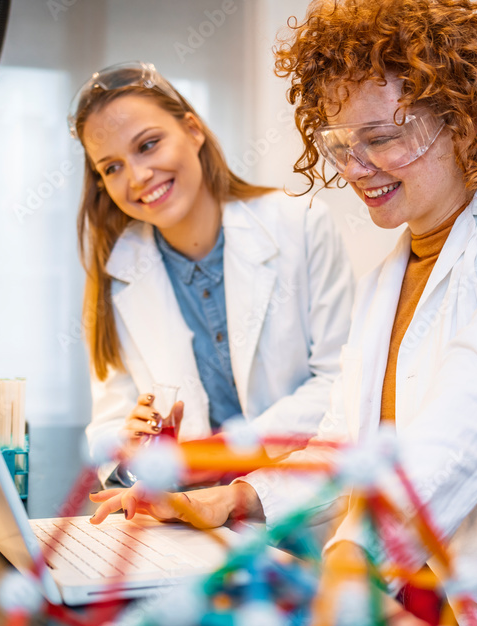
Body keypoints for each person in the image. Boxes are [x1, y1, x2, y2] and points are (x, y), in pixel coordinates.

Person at [90, 5, 477, 626]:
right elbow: (342, 451)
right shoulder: (385, 282)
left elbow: (469, 419)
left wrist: (349, 550)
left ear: (463, 117)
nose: (356, 167)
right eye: (342, 144)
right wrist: (233, 497)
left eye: (383, 137)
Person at [70, 62, 354, 487]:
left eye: (148, 145)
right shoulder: (116, 273)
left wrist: (221, 455)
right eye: (111, 167)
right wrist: (129, 451)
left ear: (193, 130)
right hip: (186, 515)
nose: (137, 177)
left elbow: (340, 380)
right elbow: (110, 423)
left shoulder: (302, 223)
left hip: (301, 502)